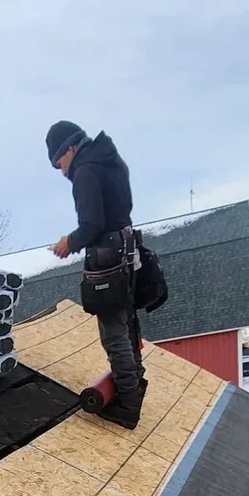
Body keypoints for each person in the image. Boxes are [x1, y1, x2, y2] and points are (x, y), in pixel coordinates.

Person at [46, 120, 146, 429]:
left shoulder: (86, 171)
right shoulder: (111, 159)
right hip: (129, 251)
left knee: (113, 333)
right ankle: (134, 385)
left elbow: (91, 225)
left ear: (71, 148)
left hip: (109, 257)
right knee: (127, 324)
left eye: (59, 162)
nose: (62, 172)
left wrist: (69, 243)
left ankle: (128, 403)